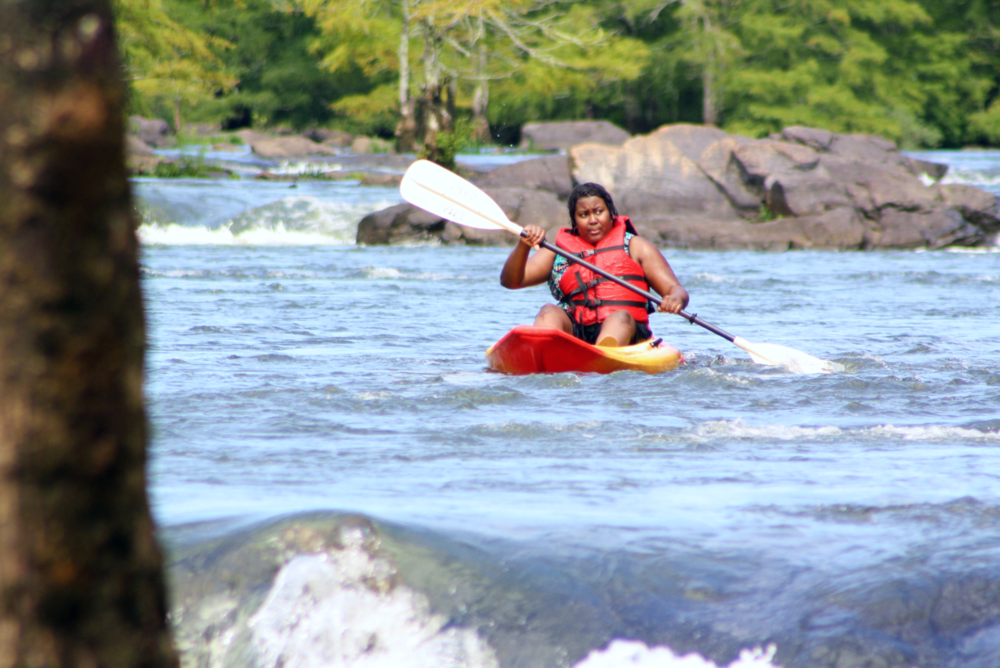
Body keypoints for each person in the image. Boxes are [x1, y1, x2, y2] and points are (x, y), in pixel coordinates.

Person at [500, 182, 689, 348]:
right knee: (548, 311)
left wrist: (675, 300)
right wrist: (523, 245)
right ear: (574, 221)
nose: (593, 220)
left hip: (628, 333)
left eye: (599, 212)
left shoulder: (635, 247)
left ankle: (602, 356)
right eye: (584, 214)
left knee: (620, 317)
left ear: (611, 213)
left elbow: (675, 289)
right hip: (577, 331)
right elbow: (511, 281)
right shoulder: (558, 253)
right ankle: (545, 351)